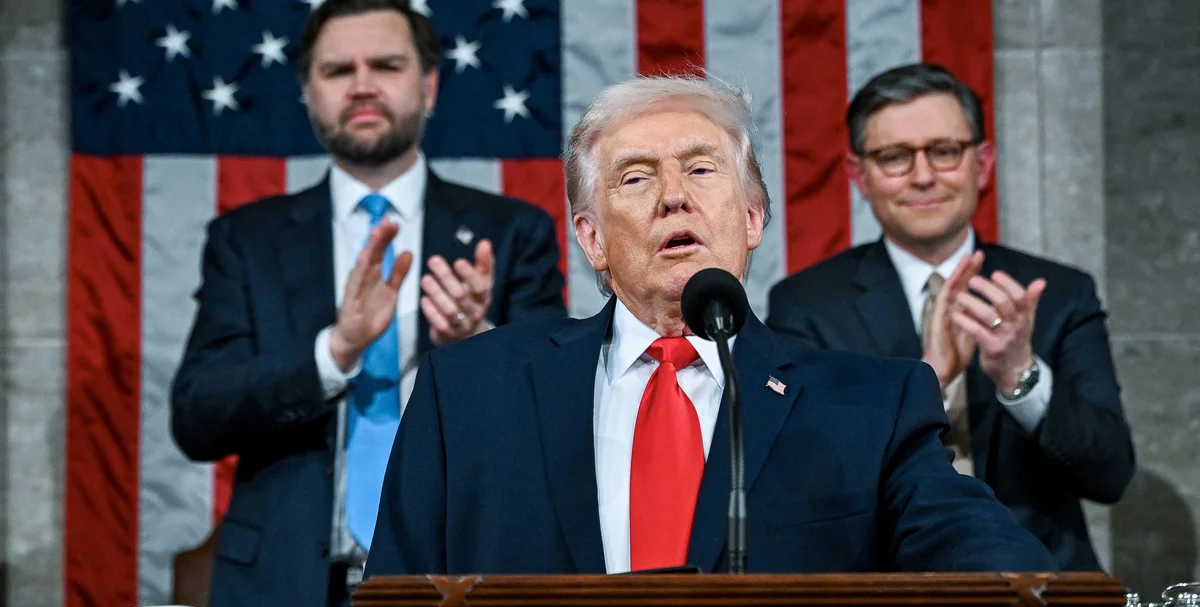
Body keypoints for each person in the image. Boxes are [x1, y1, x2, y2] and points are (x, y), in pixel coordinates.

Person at [361, 74, 1057, 580]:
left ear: (753, 219)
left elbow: (985, 556)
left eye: (701, 169)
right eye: (635, 179)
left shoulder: (871, 404)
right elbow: (397, 599)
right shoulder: (471, 392)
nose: (673, 197)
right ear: (591, 238)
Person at [169, 1, 567, 607]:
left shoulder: (512, 232)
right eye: (337, 70)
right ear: (306, 92)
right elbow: (196, 416)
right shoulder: (246, 240)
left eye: (385, 65)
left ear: (429, 85)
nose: (362, 85)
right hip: (282, 592)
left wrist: (478, 344)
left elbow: (564, 418)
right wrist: (335, 350)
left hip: (457, 582)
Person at [766, 63, 1134, 572]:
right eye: (895, 157)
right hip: (889, 594)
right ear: (859, 175)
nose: (923, 176)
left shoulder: (1058, 293)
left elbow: (1111, 474)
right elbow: (805, 482)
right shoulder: (806, 305)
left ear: (981, 163)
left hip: (1044, 591)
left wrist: (1019, 376)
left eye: (943, 152)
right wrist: (929, 379)